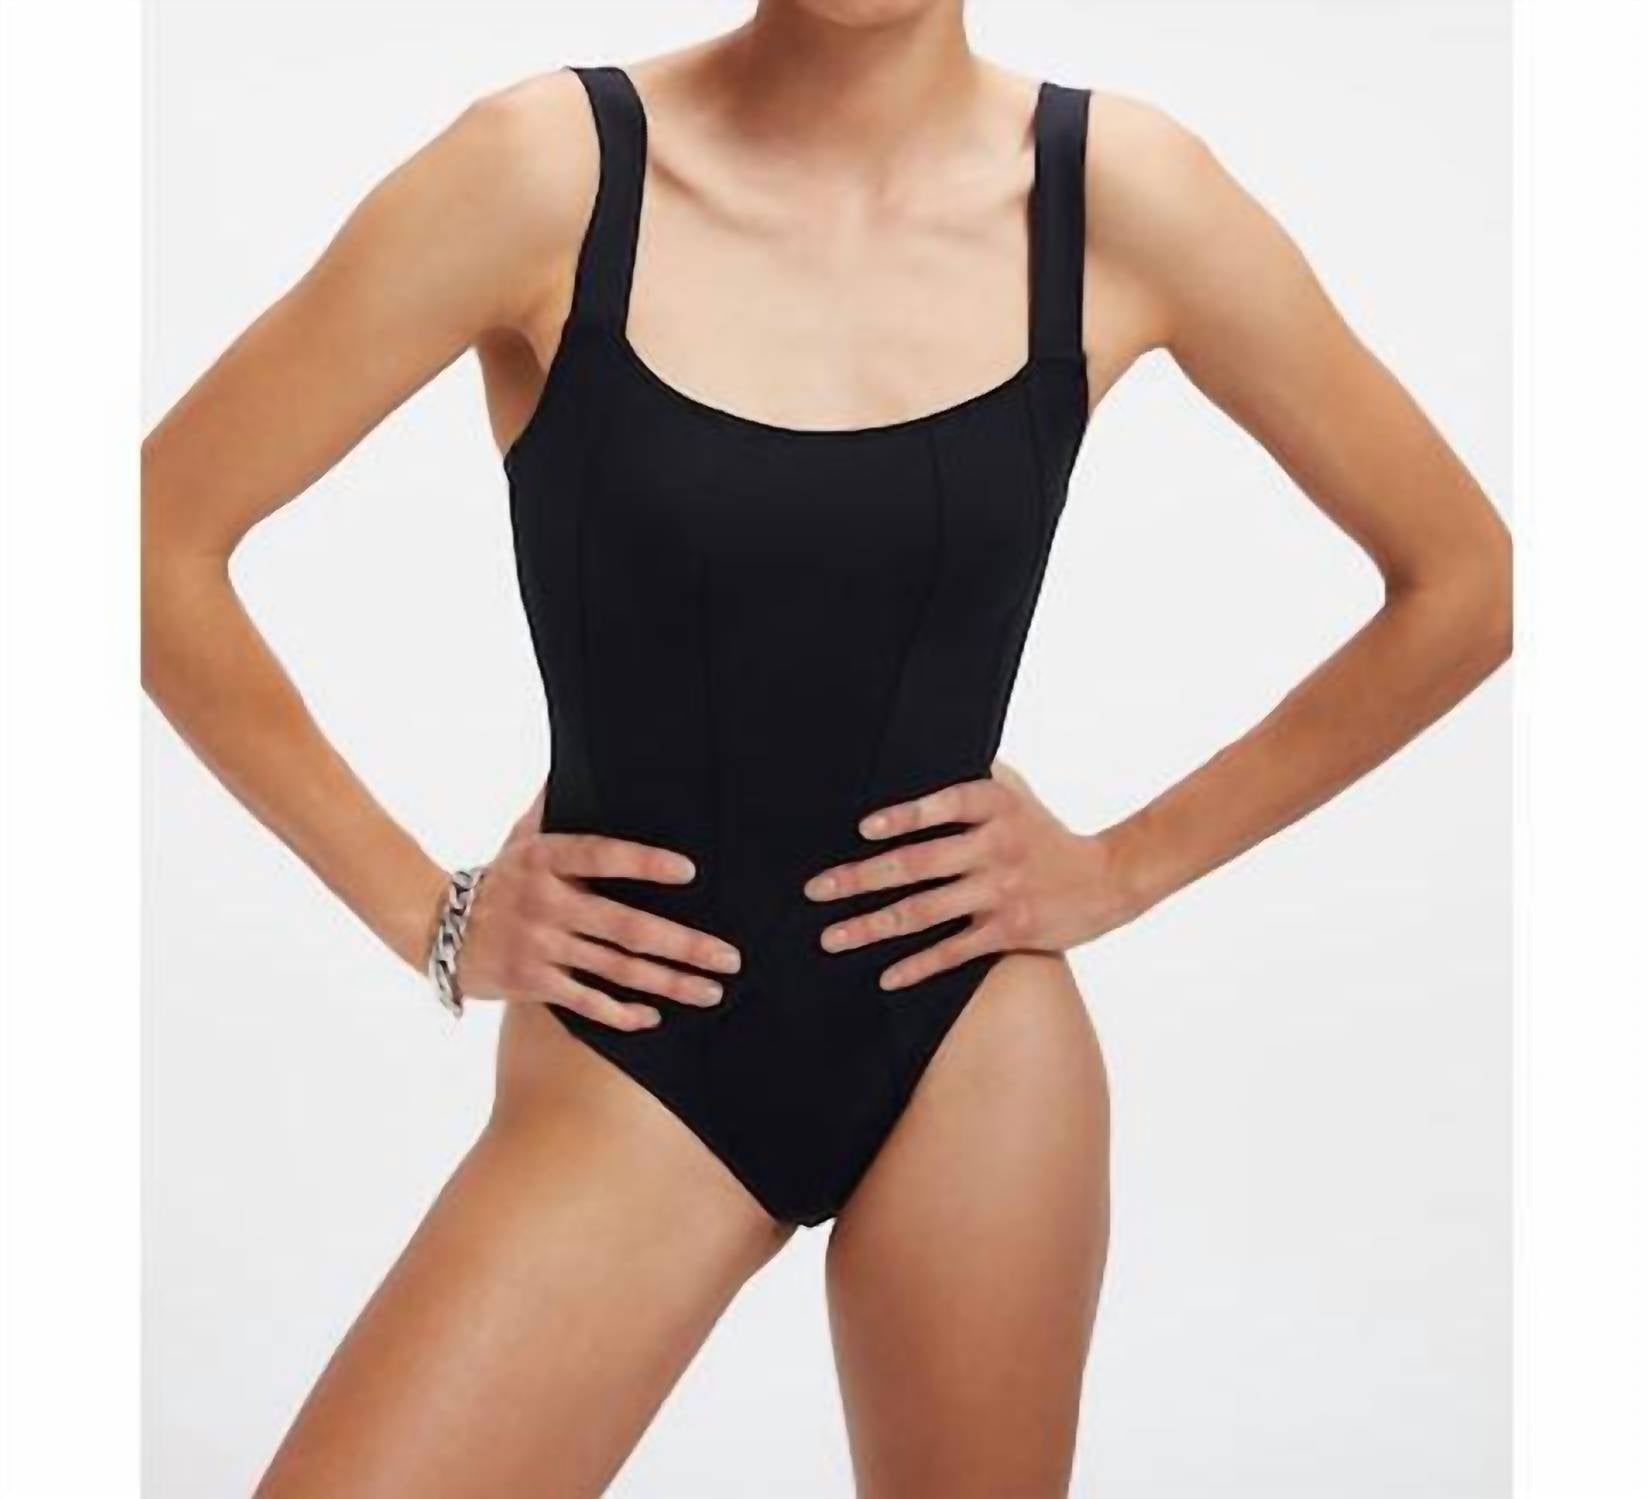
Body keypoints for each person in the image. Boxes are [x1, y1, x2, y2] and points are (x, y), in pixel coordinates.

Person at [140, 2, 1511, 1494]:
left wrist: (1125, 867)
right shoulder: (546, 171)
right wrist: (433, 913)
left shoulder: (1118, 192)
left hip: (969, 1032)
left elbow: (1467, 583)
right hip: (638, 1038)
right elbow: (150, 541)